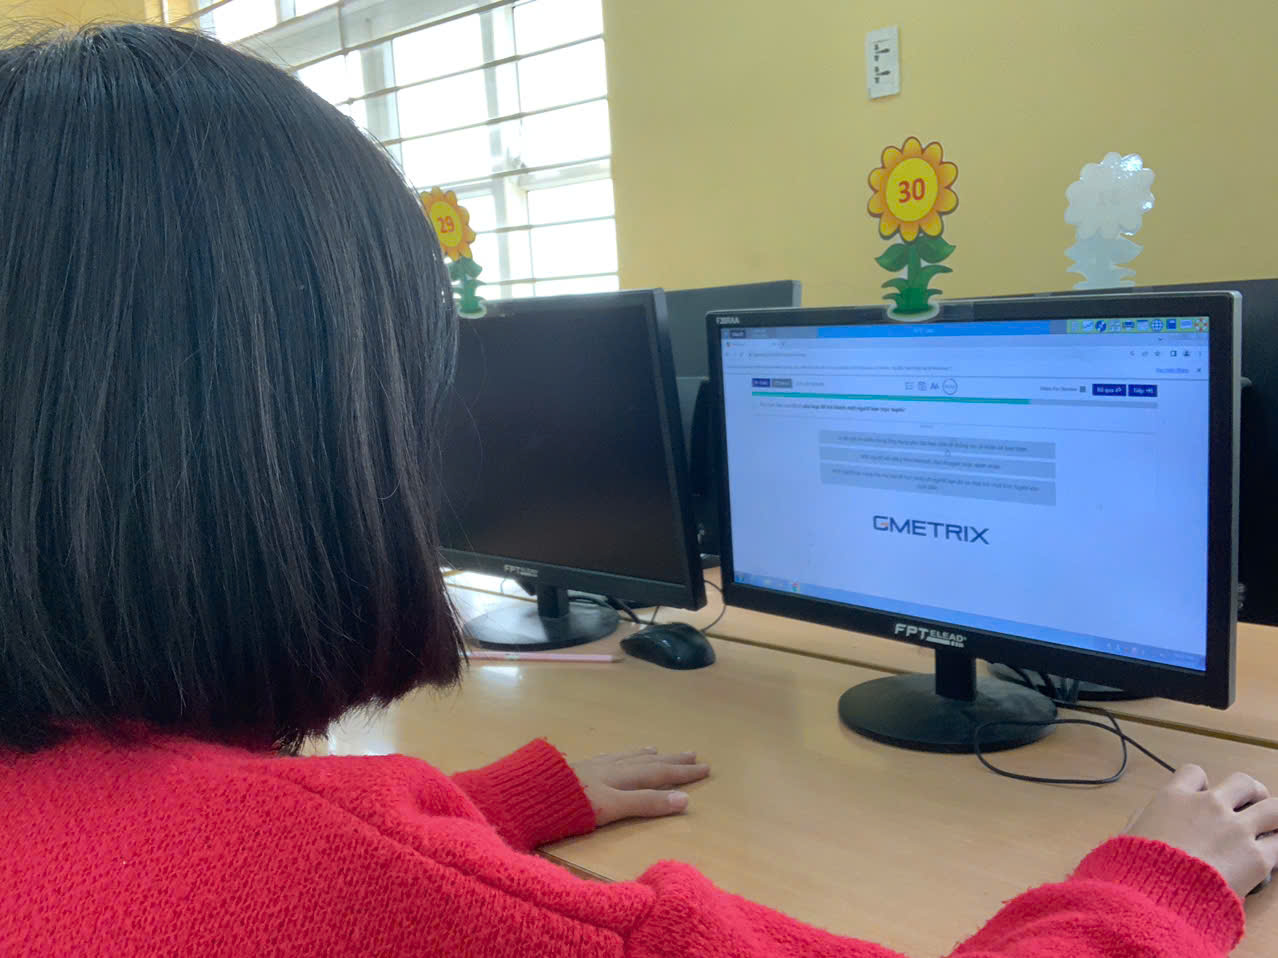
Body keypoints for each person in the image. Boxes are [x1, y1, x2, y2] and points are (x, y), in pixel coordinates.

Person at [0, 23, 1273, 957]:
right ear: (280, 439)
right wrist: (1156, 880)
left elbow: (244, 827)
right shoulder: (326, 892)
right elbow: (328, 872)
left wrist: (492, 803)